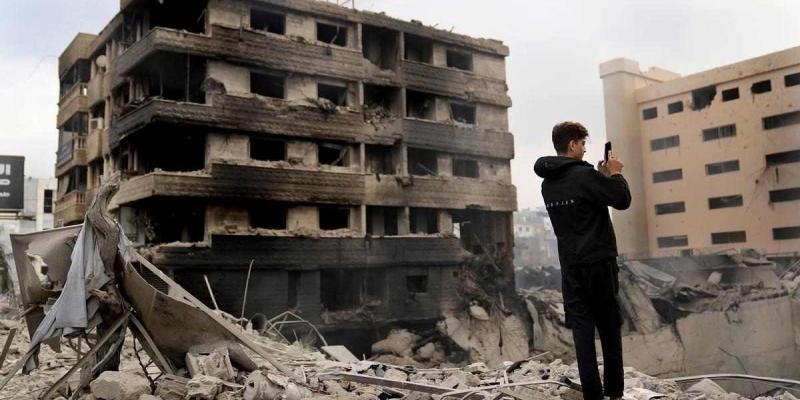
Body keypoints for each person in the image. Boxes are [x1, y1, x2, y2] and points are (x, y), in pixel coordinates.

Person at [533, 121, 631, 400]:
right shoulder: (585, 176)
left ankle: (593, 395)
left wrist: (600, 177)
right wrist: (614, 174)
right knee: (609, 328)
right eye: (583, 144)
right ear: (573, 144)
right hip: (599, 263)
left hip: (571, 267)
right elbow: (622, 199)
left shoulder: (547, 185)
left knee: (582, 332)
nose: (585, 149)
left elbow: (584, 201)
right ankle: (614, 393)